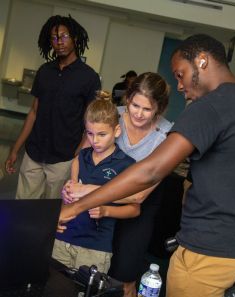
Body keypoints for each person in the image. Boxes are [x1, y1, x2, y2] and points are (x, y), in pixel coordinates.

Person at [59, 34, 235, 297]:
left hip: (206, 253)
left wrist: (76, 206)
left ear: (202, 61)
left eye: (180, 74)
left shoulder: (208, 107)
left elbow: (151, 171)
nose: (178, 85)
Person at [62, 72, 172, 297]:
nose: (138, 114)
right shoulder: (113, 115)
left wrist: (86, 190)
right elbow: (82, 156)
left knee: (123, 277)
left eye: (147, 109)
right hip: (95, 199)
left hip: (137, 206)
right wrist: (72, 186)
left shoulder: (167, 135)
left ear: (159, 109)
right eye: (134, 105)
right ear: (127, 99)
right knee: (81, 270)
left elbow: (138, 196)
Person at [4, 15, 101, 199]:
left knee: (52, 212)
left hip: (64, 157)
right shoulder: (44, 72)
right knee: (22, 207)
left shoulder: (89, 77)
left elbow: (92, 120)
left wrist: (79, 152)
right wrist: (15, 149)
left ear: (74, 38)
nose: (59, 42)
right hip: (34, 152)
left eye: (64, 36)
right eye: (54, 38)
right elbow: (33, 112)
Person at [53, 95, 139, 272]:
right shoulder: (81, 158)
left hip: (95, 247)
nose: (95, 140)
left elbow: (134, 208)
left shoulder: (126, 165)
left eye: (102, 134)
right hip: (63, 238)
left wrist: (107, 210)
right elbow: (71, 193)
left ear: (116, 131)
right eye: (90, 134)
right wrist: (66, 196)